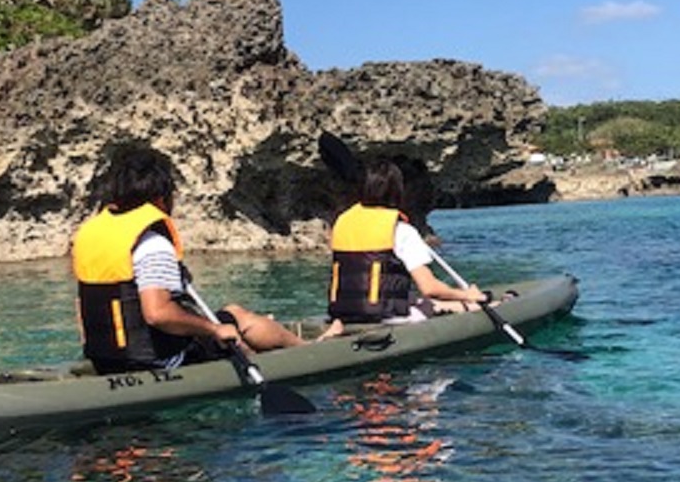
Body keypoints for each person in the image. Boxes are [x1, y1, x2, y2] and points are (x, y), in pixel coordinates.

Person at [71, 143, 306, 373]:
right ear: (162, 198)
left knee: (224, 326)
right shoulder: (152, 243)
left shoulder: (90, 235)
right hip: (159, 362)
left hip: (105, 361)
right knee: (236, 317)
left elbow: (82, 308)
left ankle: (268, 354)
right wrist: (213, 329)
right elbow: (158, 314)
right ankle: (308, 352)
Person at [327, 158, 487, 326]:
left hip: (342, 315)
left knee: (429, 303)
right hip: (386, 317)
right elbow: (429, 288)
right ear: (398, 191)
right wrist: (468, 295)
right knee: (448, 305)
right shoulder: (401, 230)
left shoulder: (342, 223)